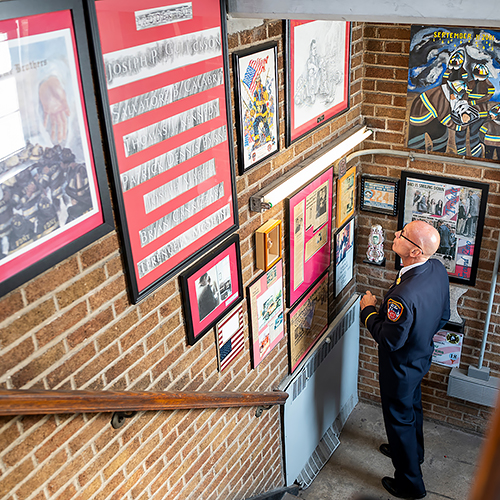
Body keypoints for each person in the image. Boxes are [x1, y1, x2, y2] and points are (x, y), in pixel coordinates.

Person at [360, 220, 450, 499]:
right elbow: (443, 315)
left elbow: (388, 339)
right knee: (412, 409)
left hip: (399, 368)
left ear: (415, 252)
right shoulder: (436, 269)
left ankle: (410, 484)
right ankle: (414, 452)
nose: (396, 234)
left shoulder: (403, 296)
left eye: (403, 235)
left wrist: (369, 311)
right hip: (420, 358)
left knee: (398, 421)